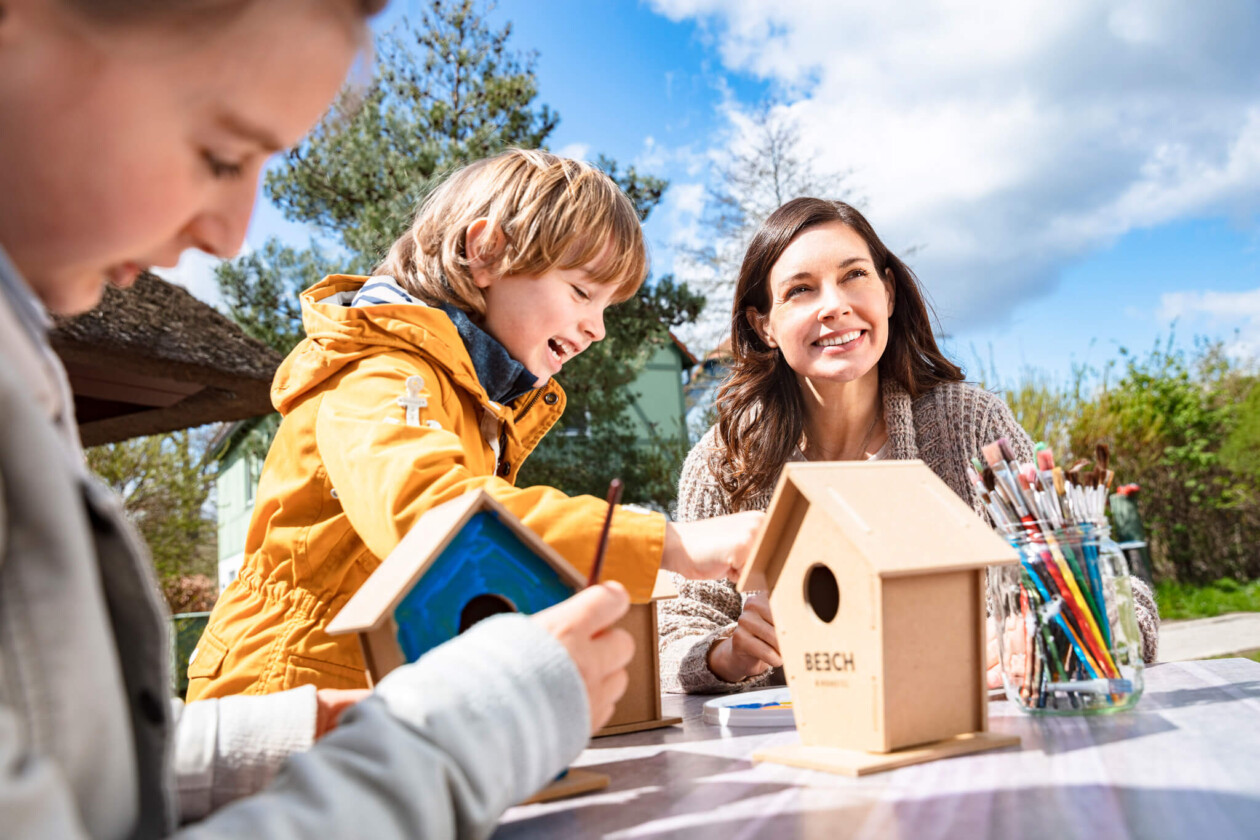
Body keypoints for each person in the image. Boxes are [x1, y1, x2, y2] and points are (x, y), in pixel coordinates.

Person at [0, 1, 644, 835]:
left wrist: (302, 733)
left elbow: (65, 766)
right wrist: (474, 730)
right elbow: (431, 517)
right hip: (283, 676)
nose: (233, 236)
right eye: (220, 153)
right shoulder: (382, 364)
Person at [186, 148, 763, 702]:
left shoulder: (475, 402)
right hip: (280, 692)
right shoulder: (379, 368)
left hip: (361, 692)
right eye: (582, 292)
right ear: (485, 252)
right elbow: (435, 517)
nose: (597, 329)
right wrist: (671, 543)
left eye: (607, 308)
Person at [658, 197, 1160, 694]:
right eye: (801, 290)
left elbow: (1120, 598)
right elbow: (674, 636)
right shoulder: (725, 460)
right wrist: (726, 655)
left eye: (854, 275)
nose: (835, 305)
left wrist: (1046, 636)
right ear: (763, 324)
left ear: (889, 292)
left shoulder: (972, 426)